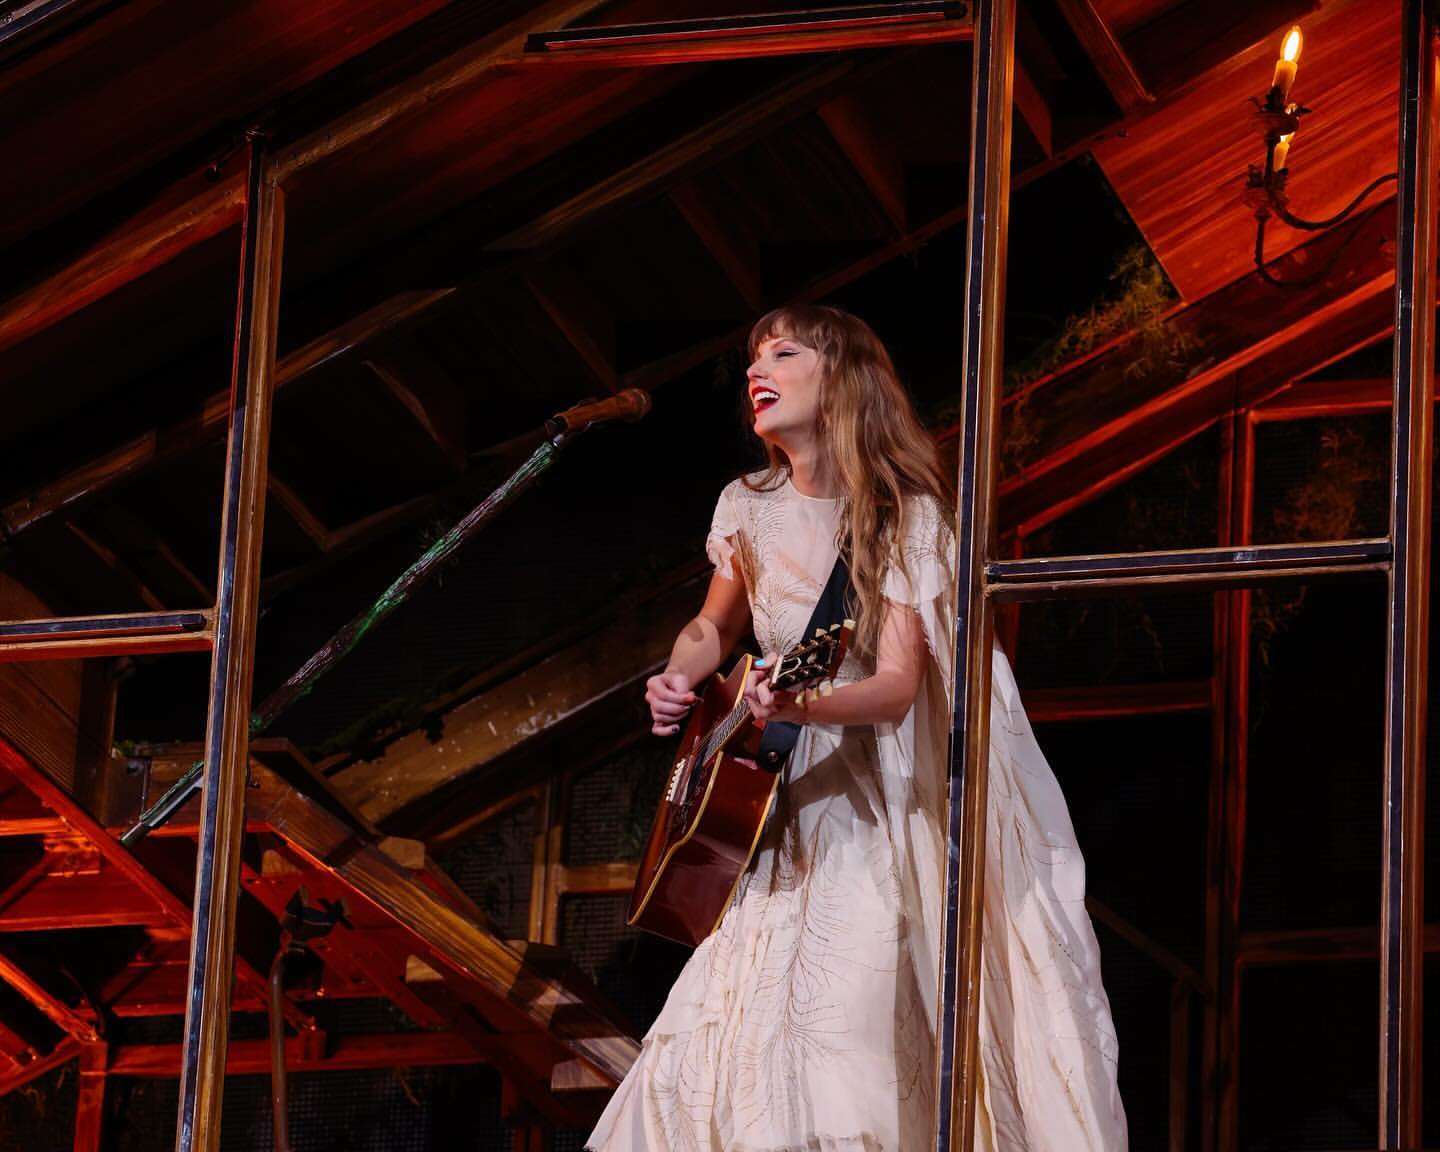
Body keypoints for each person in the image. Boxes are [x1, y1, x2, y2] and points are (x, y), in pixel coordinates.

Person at [588, 306, 1127, 1151]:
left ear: (840, 376)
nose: (756, 371)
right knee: (734, 1035)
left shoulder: (904, 518)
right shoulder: (744, 505)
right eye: (753, 358)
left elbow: (899, 687)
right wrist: (680, 675)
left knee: (841, 1035)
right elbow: (712, 626)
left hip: (865, 812)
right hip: (771, 813)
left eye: (783, 353)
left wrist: (802, 705)